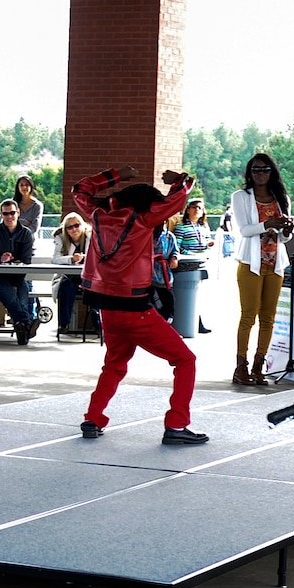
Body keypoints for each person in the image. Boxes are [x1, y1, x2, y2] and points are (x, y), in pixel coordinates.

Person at [75, 166, 205, 445]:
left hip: (107, 310)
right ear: (149, 204)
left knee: (114, 364)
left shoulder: (98, 214)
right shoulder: (144, 220)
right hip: (136, 310)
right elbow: (177, 200)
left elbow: (81, 189)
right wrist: (181, 181)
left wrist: (115, 175)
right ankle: (177, 425)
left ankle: (93, 418)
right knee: (185, 360)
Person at [227, 153, 293, 386]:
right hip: (250, 264)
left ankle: (258, 366)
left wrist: (287, 228)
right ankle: (240, 366)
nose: (260, 174)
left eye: (265, 169)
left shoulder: (281, 197)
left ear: (272, 172)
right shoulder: (241, 197)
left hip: (275, 263)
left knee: (268, 318)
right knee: (248, 315)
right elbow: (244, 230)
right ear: (250, 172)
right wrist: (268, 224)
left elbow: (284, 239)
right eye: (256, 169)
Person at [0, 199, 37, 344]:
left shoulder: (26, 234)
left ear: (18, 213)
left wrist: (14, 267)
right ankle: (27, 323)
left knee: (22, 298)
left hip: (17, 277)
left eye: (12, 213)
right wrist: (0, 259)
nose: (9, 216)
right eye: (6, 213)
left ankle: (22, 331)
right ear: (1, 215)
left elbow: (26, 260)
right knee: (11, 297)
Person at [171, 200, 213, 335]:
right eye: (194, 207)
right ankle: (189, 322)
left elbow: (205, 243)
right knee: (186, 297)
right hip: (186, 266)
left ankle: (197, 321)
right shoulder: (181, 227)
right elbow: (177, 247)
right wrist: (191, 254)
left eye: (200, 208)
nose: (197, 210)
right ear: (188, 209)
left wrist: (208, 245)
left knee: (197, 296)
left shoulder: (204, 228)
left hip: (201, 264)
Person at [52, 212, 90, 333]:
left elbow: (94, 257)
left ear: (82, 225)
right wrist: (71, 259)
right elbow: (55, 259)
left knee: (95, 289)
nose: (74, 229)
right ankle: (64, 324)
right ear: (65, 229)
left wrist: (82, 257)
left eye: (77, 225)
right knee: (66, 287)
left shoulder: (91, 236)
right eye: (70, 227)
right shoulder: (60, 238)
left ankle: (98, 325)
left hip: (88, 276)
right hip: (68, 276)